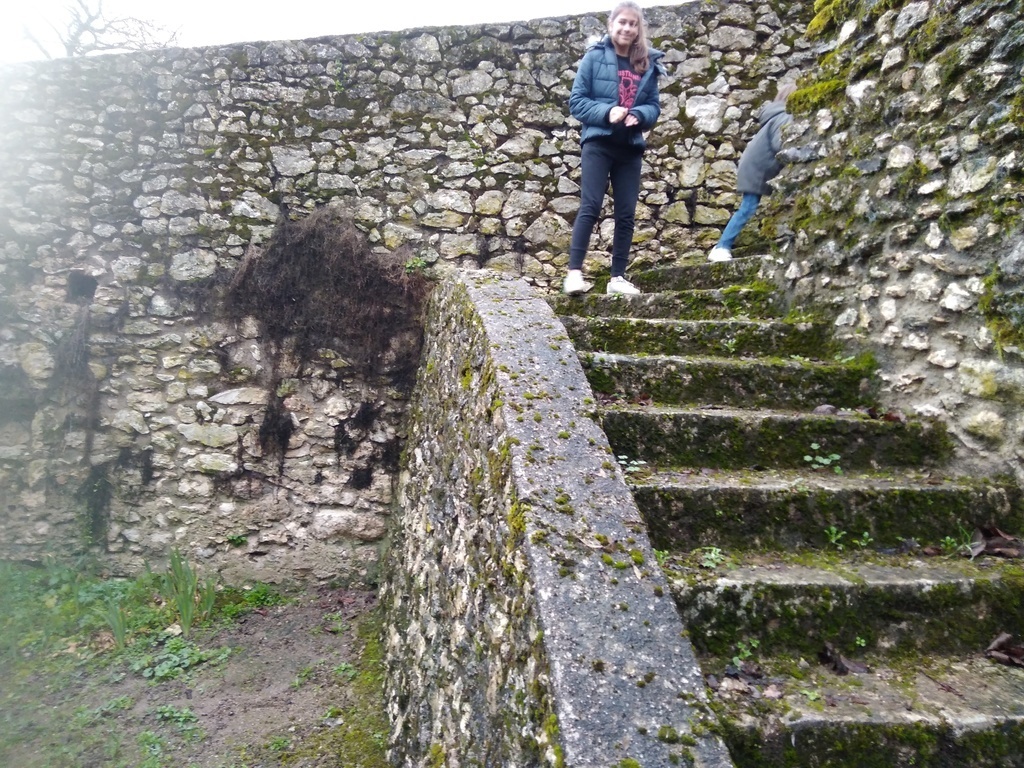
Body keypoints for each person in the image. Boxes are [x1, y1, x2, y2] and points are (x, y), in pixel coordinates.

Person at [563, 2, 666, 296]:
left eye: (633, 24)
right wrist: (607, 112)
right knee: (591, 205)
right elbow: (577, 102)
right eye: (622, 22)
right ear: (611, 24)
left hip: (630, 148)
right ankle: (573, 274)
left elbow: (654, 106)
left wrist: (642, 115)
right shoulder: (594, 58)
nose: (627, 28)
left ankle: (617, 278)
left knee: (626, 213)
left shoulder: (646, 64)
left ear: (638, 30)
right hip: (599, 143)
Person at [707, 82, 798, 263]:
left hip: (754, 167)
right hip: (757, 170)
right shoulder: (785, 117)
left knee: (752, 206)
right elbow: (781, 144)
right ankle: (721, 247)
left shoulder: (776, 115)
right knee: (748, 207)